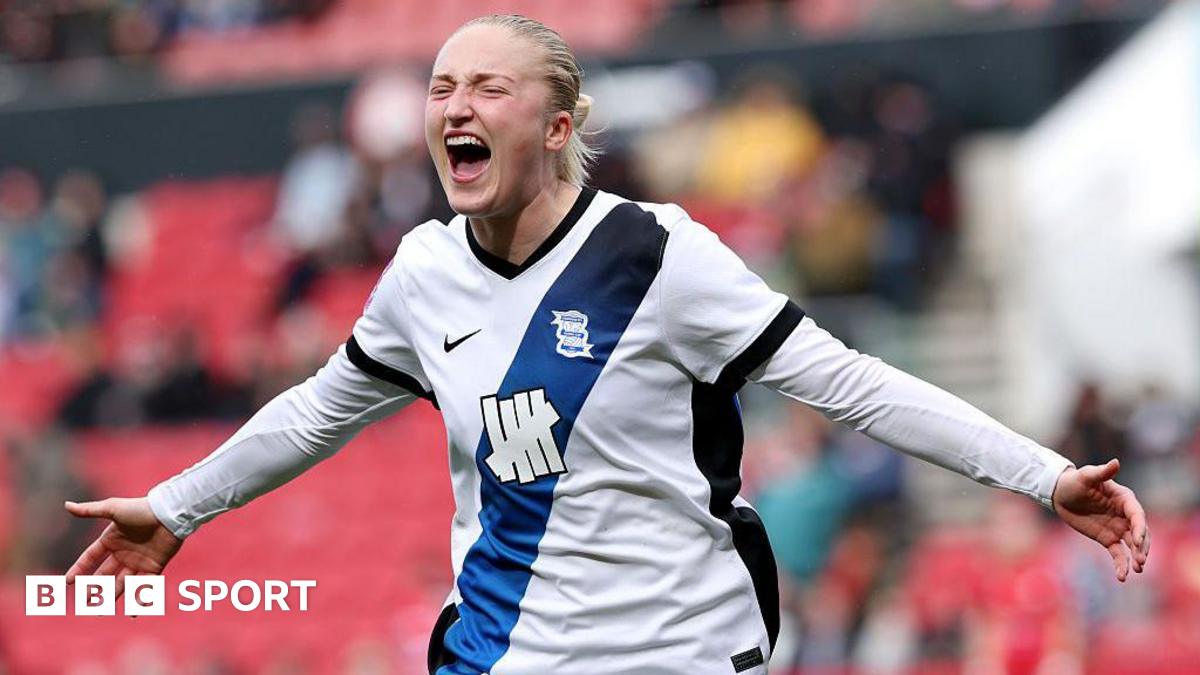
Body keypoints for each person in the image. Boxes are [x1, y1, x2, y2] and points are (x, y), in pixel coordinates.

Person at [63, 14, 1149, 675]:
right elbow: (316, 410)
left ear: (558, 127)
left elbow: (851, 385)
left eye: (488, 86)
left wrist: (1043, 475)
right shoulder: (423, 273)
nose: (455, 106)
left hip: (677, 652)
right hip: (500, 655)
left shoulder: (656, 255)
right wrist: (177, 506)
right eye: (441, 87)